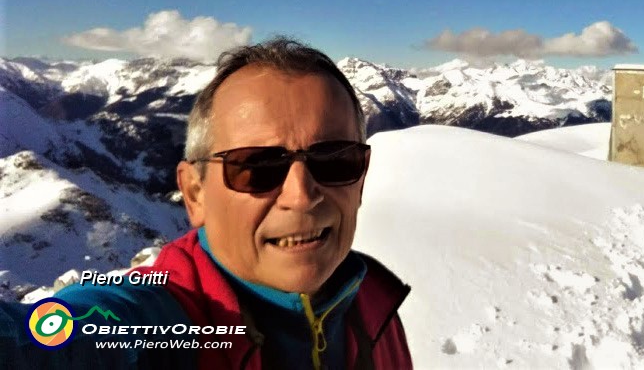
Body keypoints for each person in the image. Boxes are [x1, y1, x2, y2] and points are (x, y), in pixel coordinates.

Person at [0, 38, 412, 369]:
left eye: (336, 160)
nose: (301, 194)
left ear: (360, 178)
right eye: (256, 166)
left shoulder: (374, 306)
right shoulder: (158, 325)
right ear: (195, 193)